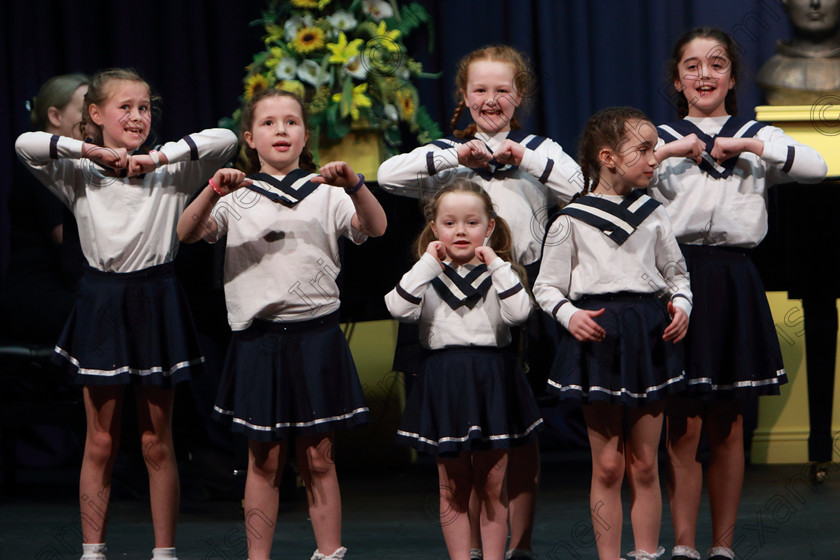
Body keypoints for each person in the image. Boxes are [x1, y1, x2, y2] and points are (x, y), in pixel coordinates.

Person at [15, 68, 238, 560]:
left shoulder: (172, 171)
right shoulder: (77, 173)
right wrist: (91, 151)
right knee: (101, 439)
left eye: (144, 108)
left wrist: (155, 157)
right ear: (94, 115)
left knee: (157, 440)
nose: (137, 116)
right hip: (102, 301)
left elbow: (224, 139)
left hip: (156, 297)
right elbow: (26, 144)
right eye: (125, 107)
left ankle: (164, 551)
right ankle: (93, 550)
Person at [377, 44, 582, 560]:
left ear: (520, 96)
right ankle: (467, 550)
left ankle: (521, 543)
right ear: (464, 96)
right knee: (458, 442)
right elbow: (386, 177)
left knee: (518, 430)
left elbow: (579, 188)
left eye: (503, 90)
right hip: (445, 300)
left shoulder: (540, 150)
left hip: (514, 296)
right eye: (481, 90)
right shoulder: (445, 154)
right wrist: (455, 155)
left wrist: (523, 158)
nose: (491, 100)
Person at [177, 88, 387, 560]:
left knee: (318, 455)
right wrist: (212, 189)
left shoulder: (327, 192)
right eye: (269, 123)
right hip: (260, 341)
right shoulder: (236, 195)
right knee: (264, 458)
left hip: (316, 337)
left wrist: (356, 184)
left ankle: (330, 552)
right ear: (250, 137)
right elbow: (186, 233)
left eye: (291, 122)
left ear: (305, 134)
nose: (281, 130)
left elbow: (376, 228)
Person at [651, 28, 828, 560]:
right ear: (678, 81)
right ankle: (683, 543)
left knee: (728, 421)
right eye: (692, 66)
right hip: (675, 278)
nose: (704, 75)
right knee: (682, 421)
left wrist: (749, 145)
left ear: (732, 76)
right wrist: (670, 151)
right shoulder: (659, 135)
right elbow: (613, 175)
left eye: (716, 64)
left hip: (733, 279)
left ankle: (722, 545)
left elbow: (817, 168)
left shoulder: (759, 135)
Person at [533, 106, 692, 560]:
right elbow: (546, 286)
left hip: (647, 335)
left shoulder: (653, 214)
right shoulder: (570, 219)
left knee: (644, 463)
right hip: (598, 336)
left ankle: (645, 552)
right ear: (608, 157)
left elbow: (676, 274)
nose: (654, 159)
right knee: (607, 464)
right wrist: (568, 314)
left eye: (654, 149)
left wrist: (680, 304)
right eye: (642, 150)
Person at [384, 179, 541, 560]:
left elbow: (520, 314)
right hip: (445, 379)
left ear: (489, 227)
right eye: (449, 223)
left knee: (492, 483)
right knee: (452, 484)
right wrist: (427, 262)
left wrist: (497, 263)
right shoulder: (427, 276)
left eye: (472, 223)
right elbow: (397, 308)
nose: (460, 231)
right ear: (434, 228)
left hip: (492, 379)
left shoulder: (502, 275)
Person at [1, 73, 89, 344]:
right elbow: (66, 239)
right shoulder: (42, 163)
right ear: (55, 116)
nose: (93, 118)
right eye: (85, 109)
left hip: (64, 284)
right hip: (39, 292)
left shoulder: (72, 163)